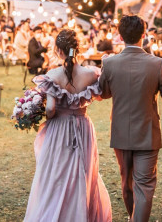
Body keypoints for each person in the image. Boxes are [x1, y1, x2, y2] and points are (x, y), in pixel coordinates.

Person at [24, 29, 112, 222]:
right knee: (84, 172)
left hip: (59, 129)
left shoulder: (53, 75)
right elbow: (103, 92)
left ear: (58, 50)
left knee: (56, 174)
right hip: (83, 128)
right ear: (77, 49)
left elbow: (50, 109)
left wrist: (41, 111)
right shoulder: (90, 74)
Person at [99, 15, 162, 222]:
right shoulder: (157, 63)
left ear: (120, 35)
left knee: (126, 184)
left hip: (120, 134)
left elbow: (105, 93)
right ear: (144, 35)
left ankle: (132, 217)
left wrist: (103, 73)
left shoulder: (109, 63)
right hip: (147, 134)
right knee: (143, 186)